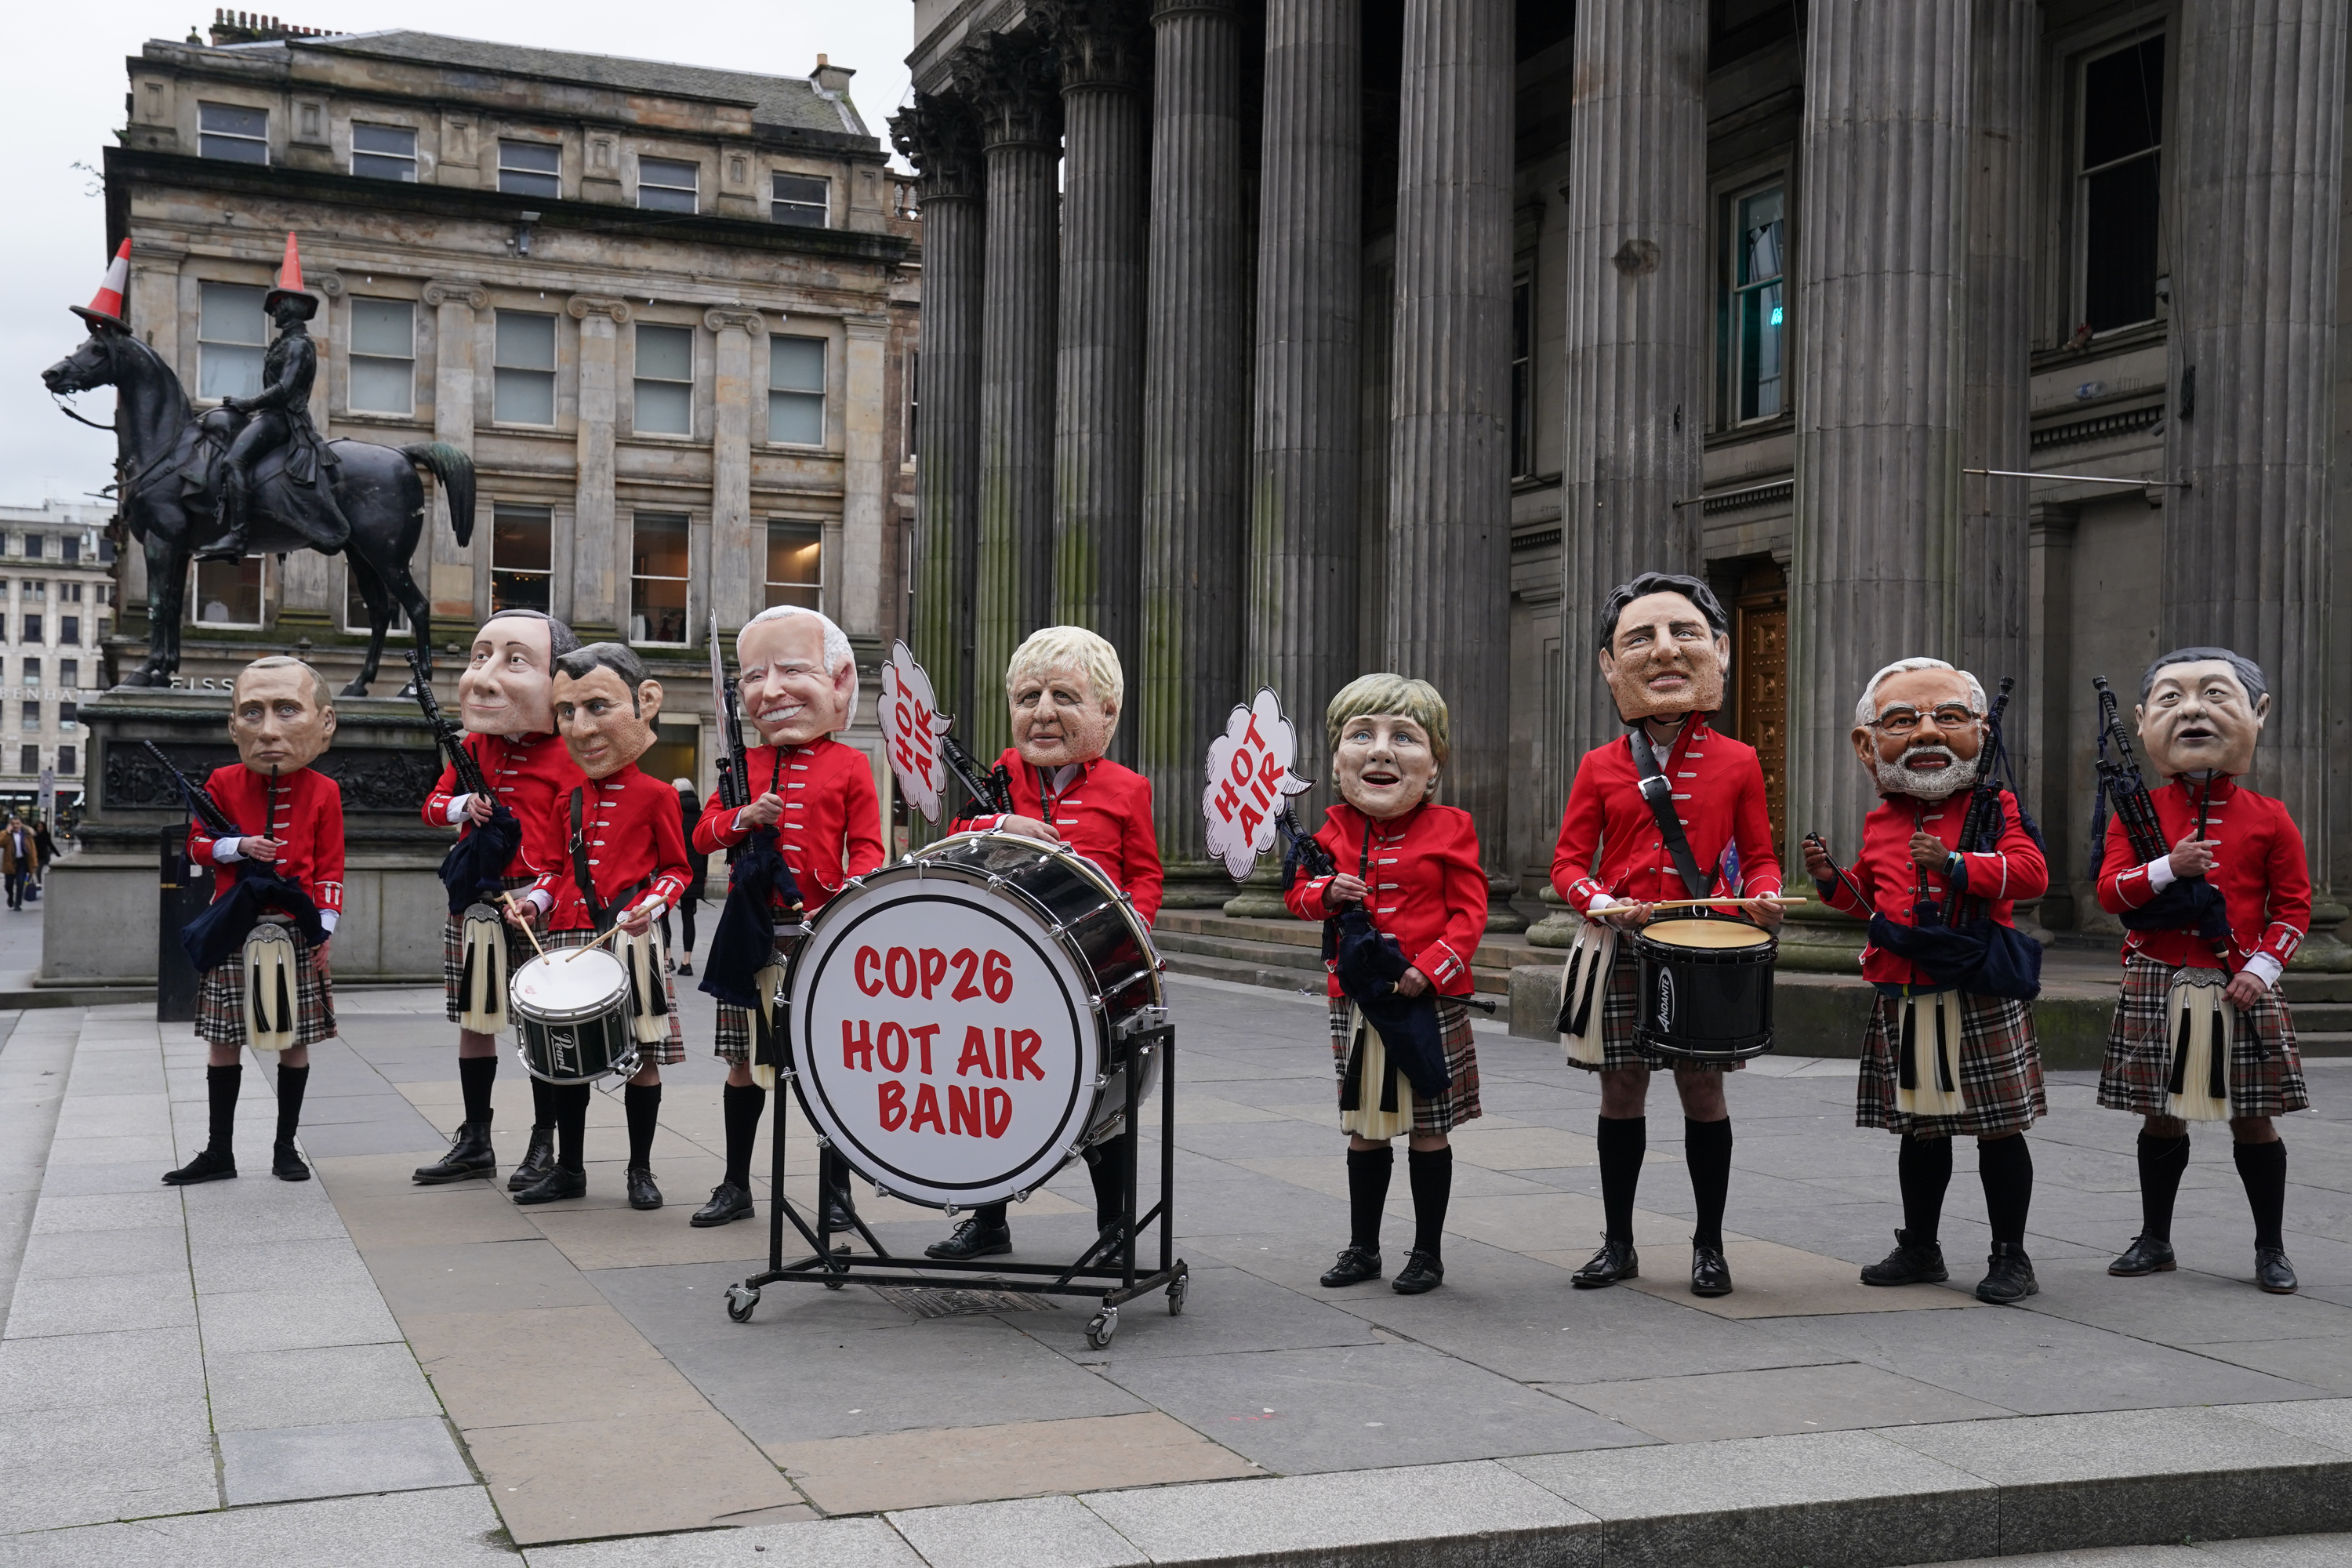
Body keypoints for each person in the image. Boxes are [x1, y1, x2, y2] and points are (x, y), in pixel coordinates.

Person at [1549, 572, 1784, 1297]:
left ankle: (1708, 1248)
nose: (1665, 653)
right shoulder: (1599, 765)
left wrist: (1766, 896)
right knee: (1620, 1094)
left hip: (1700, 948)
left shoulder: (1739, 760)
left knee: (1703, 1095)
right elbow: (1566, 863)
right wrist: (1597, 899)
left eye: (1683, 634)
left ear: (1715, 649)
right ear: (1611, 664)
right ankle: (1618, 1244)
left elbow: (1762, 856)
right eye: (1641, 639)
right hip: (1621, 945)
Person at [1802, 658, 2047, 1305]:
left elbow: (2030, 875)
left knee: (1998, 1127)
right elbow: (1873, 898)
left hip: (1977, 985)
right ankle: (1921, 1246)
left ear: (1981, 731)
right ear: (1869, 744)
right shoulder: (1883, 816)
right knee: (1921, 1128)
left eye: (1948, 718)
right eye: (1904, 721)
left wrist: (1959, 864)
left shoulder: (1995, 804)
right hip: (1907, 988)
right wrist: (1831, 879)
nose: (1927, 735)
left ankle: (2011, 1257)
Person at [926, 626, 1163, 1261]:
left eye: (1064, 696)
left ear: (1107, 713)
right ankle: (988, 1221)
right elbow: (957, 832)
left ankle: (1115, 1229)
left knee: (1103, 1102)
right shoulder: (1002, 775)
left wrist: (1133, 930)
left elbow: (1145, 875)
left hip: (1094, 971)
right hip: (1003, 973)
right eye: (1029, 697)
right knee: (994, 1092)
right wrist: (1003, 821)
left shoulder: (1126, 788)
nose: (1044, 713)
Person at [2096, 648, 2310, 1295]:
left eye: (2215, 696)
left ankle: (2271, 1249)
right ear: (2141, 720)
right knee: (2161, 1116)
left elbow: (2294, 907)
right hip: (2160, 975)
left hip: (2239, 980)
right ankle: (2155, 1239)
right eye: (2172, 700)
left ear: (2256, 713)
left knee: (2254, 1118)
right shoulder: (2136, 810)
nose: (2192, 713)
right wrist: (2170, 867)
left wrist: (2263, 969)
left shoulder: (2270, 815)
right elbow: (2111, 893)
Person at [1284, 675, 1486, 1296]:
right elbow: (1295, 896)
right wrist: (1325, 891)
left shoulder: (1454, 826)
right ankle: (1363, 1248)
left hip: (1428, 998)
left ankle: (1427, 1254)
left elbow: (1470, 913)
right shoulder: (1328, 833)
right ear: (1338, 761)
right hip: (1360, 998)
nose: (1380, 751)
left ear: (1433, 767)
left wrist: (1432, 968)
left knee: (1429, 1125)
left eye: (1404, 737)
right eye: (1361, 735)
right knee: (1365, 1126)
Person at [691, 606, 885, 1229]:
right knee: (741, 1064)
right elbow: (701, 837)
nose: (769, 690)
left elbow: (870, 849)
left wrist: (852, 898)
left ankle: (837, 1193)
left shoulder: (851, 764)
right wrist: (741, 820)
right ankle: (735, 1183)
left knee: (828, 1070)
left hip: (819, 935)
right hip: (750, 932)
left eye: (792, 671)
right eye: (754, 677)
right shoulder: (740, 767)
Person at [506, 644, 693, 1208]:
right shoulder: (570, 800)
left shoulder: (658, 794)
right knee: (565, 1063)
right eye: (566, 712)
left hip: (630, 939)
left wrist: (653, 906)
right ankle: (570, 1169)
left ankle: (640, 1171)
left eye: (594, 708)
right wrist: (535, 903)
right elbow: (557, 868)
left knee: (643, 1058)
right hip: (568, 937)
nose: (579, 727)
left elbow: (678, 869)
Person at [412, 610, 587, 1189]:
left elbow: (572, 853)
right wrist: (466, 806)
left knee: (539, 1028)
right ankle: (475, 1138)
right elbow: (433, 808)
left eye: (513, 659)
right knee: (474, 1021)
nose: (486, 675)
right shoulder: (475, 746)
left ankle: (543, 1143)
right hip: (477, 902)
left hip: (537, 905)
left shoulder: (572, 754)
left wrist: (539, 895)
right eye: (480, 656)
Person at [163, 656, 343, 1185]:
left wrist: (325, 929)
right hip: (233, 923)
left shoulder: (324, 791)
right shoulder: (221, 781)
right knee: (224, 1039)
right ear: (233, 724)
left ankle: (286, 1148)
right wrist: (239, 845)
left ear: (322, 722)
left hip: (294, 927)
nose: (267, 731)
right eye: (253, 714)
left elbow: (330, 867)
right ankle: (220, 1151)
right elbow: (196, 848)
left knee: (293, 1039)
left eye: (287, 710)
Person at [203, 233, 348, 561]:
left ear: (294, 307)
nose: (275, 312)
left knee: (233, 460)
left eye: (279, 305)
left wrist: (247, 403)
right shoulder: (285, 343)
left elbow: (284, 390)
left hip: (284, 421)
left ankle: (238, 536)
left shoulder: (299, 345)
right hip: (272, 416)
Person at [1, 815, 37, 910]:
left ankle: (18, 903)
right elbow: (1, 843)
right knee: (8, 884)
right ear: (10, 825)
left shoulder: (27, 834)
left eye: (17, 824)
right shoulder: (6, 834)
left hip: (22, 862)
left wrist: (34, 864)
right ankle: (10, 895)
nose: (15, 826)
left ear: (21, 824)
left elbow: (32, 850)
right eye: (13, 824)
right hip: (10, 862)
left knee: (20, 883)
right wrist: (8, 833)